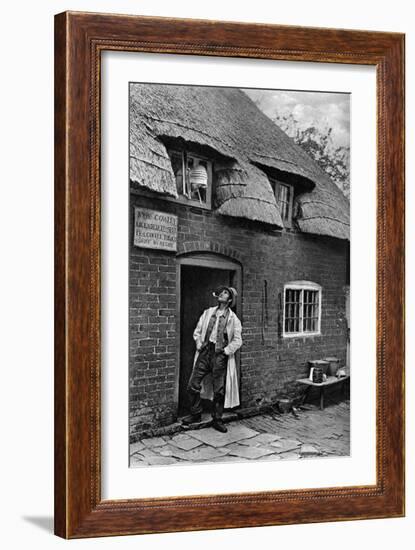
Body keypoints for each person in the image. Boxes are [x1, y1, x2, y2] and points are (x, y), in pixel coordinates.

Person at [182, 286, 243, 433]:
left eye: (225, 293)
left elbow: (237, 340)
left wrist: (226, 351)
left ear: (229, 300)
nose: (221, 294)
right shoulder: (208, 313)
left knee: (219, 390)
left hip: (219, 356)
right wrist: (199, 344)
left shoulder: (233, 319)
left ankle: (217, 419)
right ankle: (196, 413)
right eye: (221, 292)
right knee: (193, 384)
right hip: (205, 352)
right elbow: (197, 331)